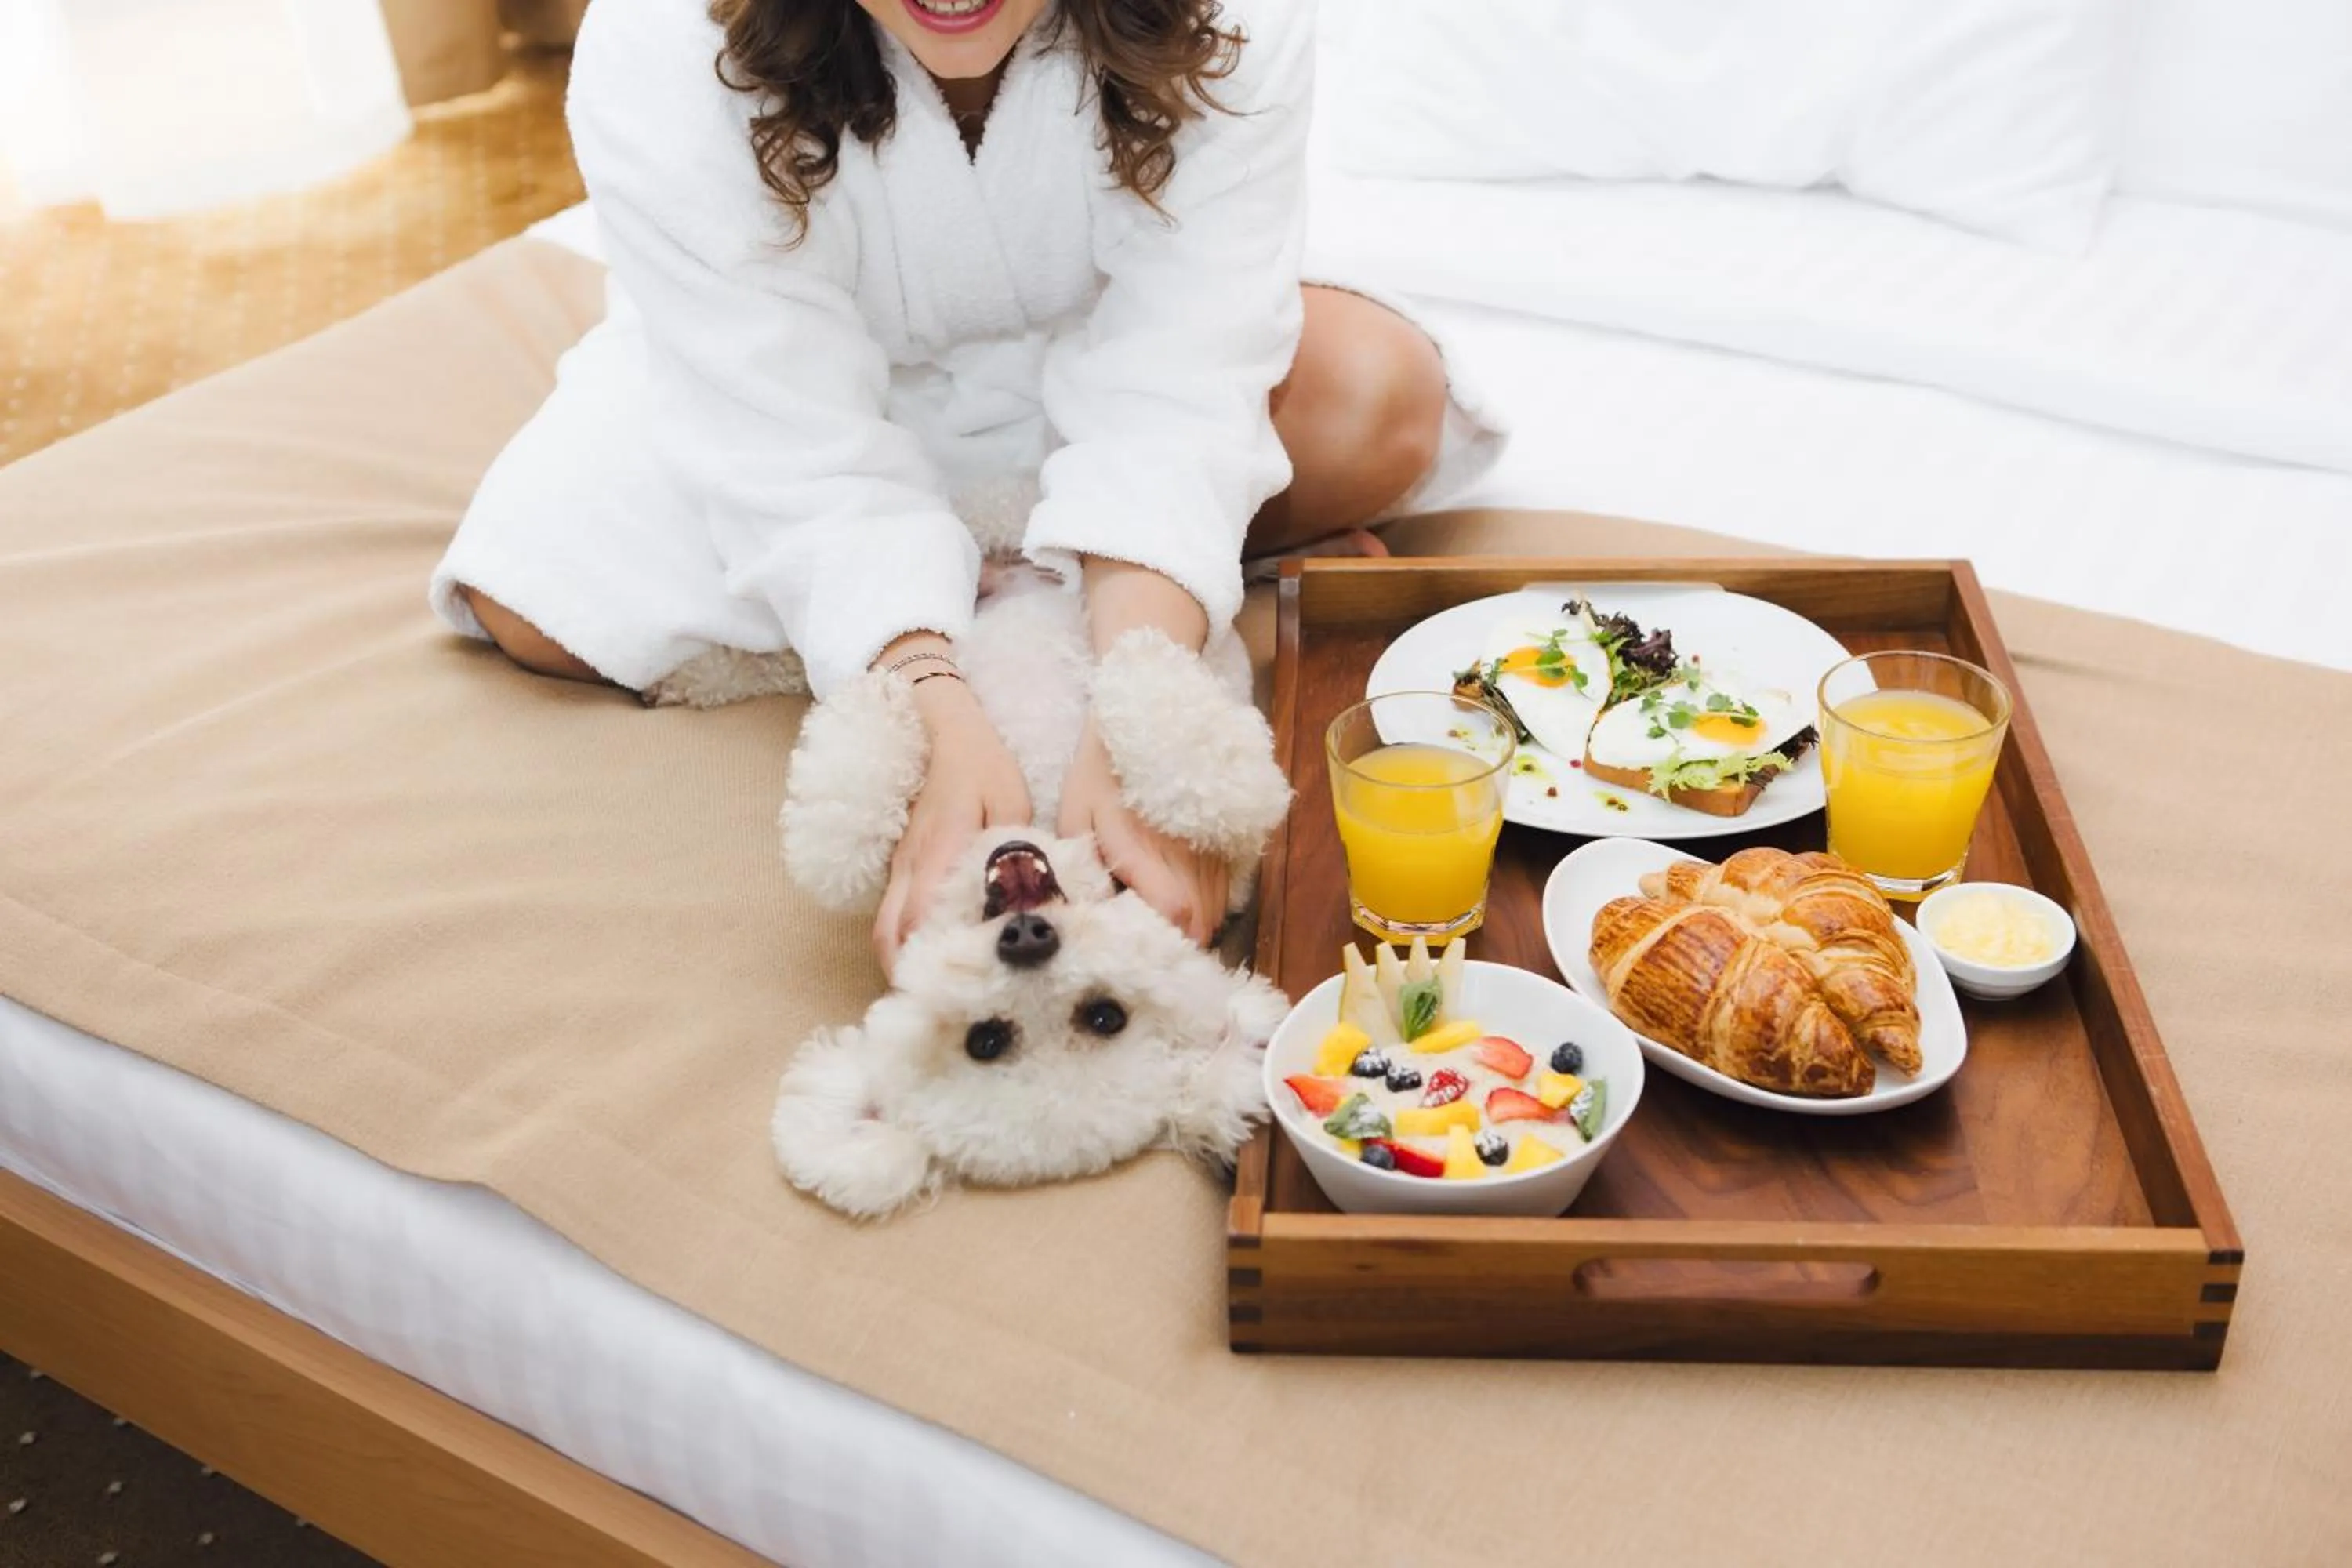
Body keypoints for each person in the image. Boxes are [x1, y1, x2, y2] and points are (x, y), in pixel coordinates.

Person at [430, 0, 1486, 968]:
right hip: (811, 393)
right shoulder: (661, 34)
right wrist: (924, 697)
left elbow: (1187, 363)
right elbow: (771, 414)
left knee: (1377, 399)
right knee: (533, 602)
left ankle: (1076, 566)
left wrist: (1141, 697)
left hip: (1091, 356)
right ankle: (1016, 577)